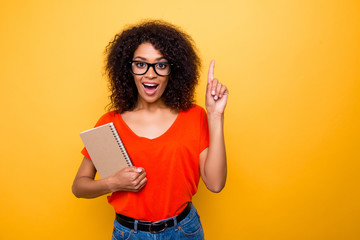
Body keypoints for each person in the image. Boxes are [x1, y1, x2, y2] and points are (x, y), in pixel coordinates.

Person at [72, 20, 228, 240]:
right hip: (130, 234)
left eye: (161, 65)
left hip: (184, 231)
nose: (151, 74)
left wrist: (215, 116)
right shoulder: (110, 123)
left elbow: (215, 183)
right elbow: (79, 187)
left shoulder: (195, 116)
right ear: (129, 69)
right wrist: (113, 183)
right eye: (141, 64)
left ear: (172, 71)